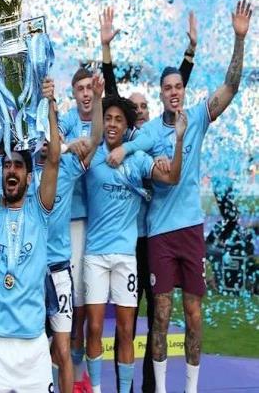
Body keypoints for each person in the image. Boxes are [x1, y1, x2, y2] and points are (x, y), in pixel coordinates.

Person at [106, 0, 252, 393]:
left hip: (190, 229)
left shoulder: (199, 116)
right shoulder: (152, 130)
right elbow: (135, 146)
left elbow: (231, 86)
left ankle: (190, 389)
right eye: (167, 88)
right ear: (162, 94)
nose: (173, 92)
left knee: (193, 314)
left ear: (184, 91)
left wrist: (239, 39)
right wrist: (121, 150)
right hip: (159, 233)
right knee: (160, 314)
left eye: (178, 87)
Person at [99, 6, 197, 393]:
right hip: (127, 243)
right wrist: (106, 51)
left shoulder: (154, 142)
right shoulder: (127, 142)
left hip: (153, 238)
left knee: (157, 316)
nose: (138, 112)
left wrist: (189, 53)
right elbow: (111, 93)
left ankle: (151, 388)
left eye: (143, 107)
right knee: (127, 321)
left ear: (149, 112)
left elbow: (177, 94)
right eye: (134, 107)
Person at [84, 95, 186, 393]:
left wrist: (179, 140)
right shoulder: (91, 156)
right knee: (94, 327)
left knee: (126, 329)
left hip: (126, 257)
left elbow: (173, 176)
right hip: (95, 255)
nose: (112, 124)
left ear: (127, 126)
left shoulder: (139, 159)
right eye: (108, 118)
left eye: (119, 120)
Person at [0, 76, 60, 392]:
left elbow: (54, 159)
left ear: (29, 176)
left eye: (18, 166)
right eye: (7, 165)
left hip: (33, 346)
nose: (11, 170)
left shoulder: (39, 211)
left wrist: (50, 104)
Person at [35, 73, 104, 393]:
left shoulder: (68, 168)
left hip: (59, 267)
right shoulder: (20, 172)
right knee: (34, 342)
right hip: (31, 270)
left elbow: (96, 140)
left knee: (62, 347)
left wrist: (99, 100)